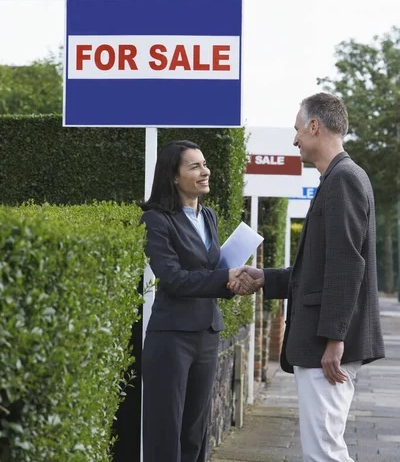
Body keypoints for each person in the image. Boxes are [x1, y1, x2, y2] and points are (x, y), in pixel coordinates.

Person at [229, 93, 385, 462]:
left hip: (325, 347)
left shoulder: (343, 179)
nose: (295, 139)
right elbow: (318, 271)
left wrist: (334, 339)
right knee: (323, 449)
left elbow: (347, 266)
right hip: (324, 342)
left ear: (315, 126)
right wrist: (265, 277)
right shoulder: (339, 177)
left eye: (297, 130)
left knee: (324, 452)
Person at [140, 140, 240, 462]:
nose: (205, 171)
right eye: (194, 166)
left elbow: (211, 266)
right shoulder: (156, 220)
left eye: (204, 164)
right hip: (172, 337)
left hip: (207, 333)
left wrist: (237, 275)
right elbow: (172, 278)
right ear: (173, 176)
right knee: (165, 431)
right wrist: (225, 278)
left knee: (196, 432)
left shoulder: (208, 215)